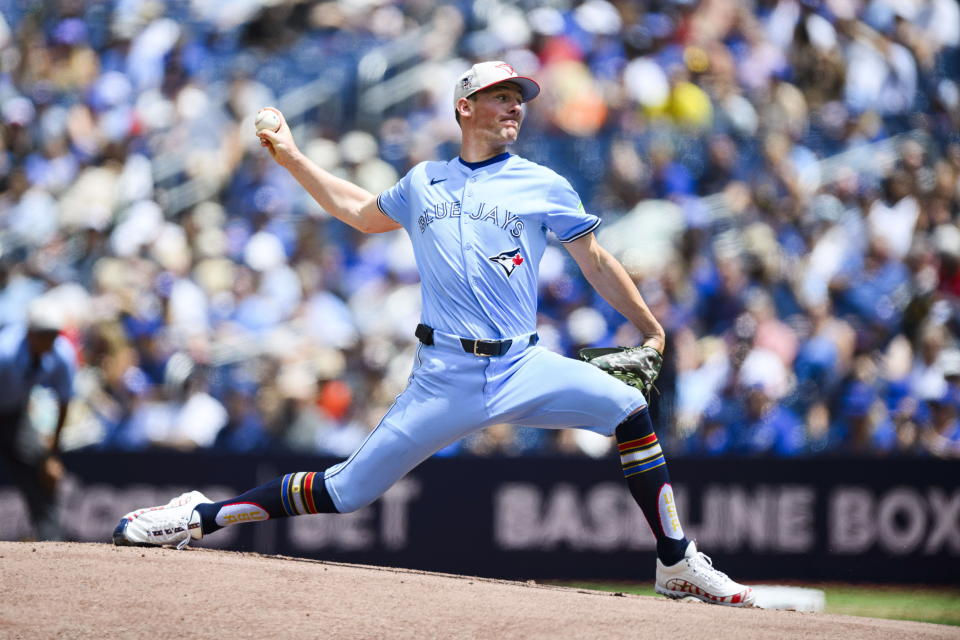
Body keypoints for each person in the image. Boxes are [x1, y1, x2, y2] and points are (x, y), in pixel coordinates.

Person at [113, 61, 754, 606]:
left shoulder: (542, 183)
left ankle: (676, 562)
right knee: (345, 491)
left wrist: (647, 324)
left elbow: (595, 260)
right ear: (464, 107)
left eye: (519, 99)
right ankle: (197, 516)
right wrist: (291, 156)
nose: (515, 108)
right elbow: (359, 214)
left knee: (629, 407)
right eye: (501, 97)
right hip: (443, 376)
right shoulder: (424, 182)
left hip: (522, 366)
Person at [0, 296, 76, 540]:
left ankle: (51, 543)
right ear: (29, 332)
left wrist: (51, 454)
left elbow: (64, 402)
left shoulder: (62, 354)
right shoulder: (4, 352)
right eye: (43, 334)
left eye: (53, 334)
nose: (49, 340)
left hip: (15, 414)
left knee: (42, 473)